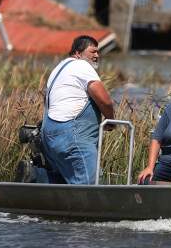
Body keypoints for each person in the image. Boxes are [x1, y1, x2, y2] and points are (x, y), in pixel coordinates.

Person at [41, 35, 115, 184]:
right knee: (88, 184)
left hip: (48, 134)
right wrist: (110, 120)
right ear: (77, 53)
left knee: (60, 182)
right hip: (72, 135)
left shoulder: (58, 69)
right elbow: (105, 100)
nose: (97, 55)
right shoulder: (82, 65)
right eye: (92, 52)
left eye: (98, 52)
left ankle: (36, 178)